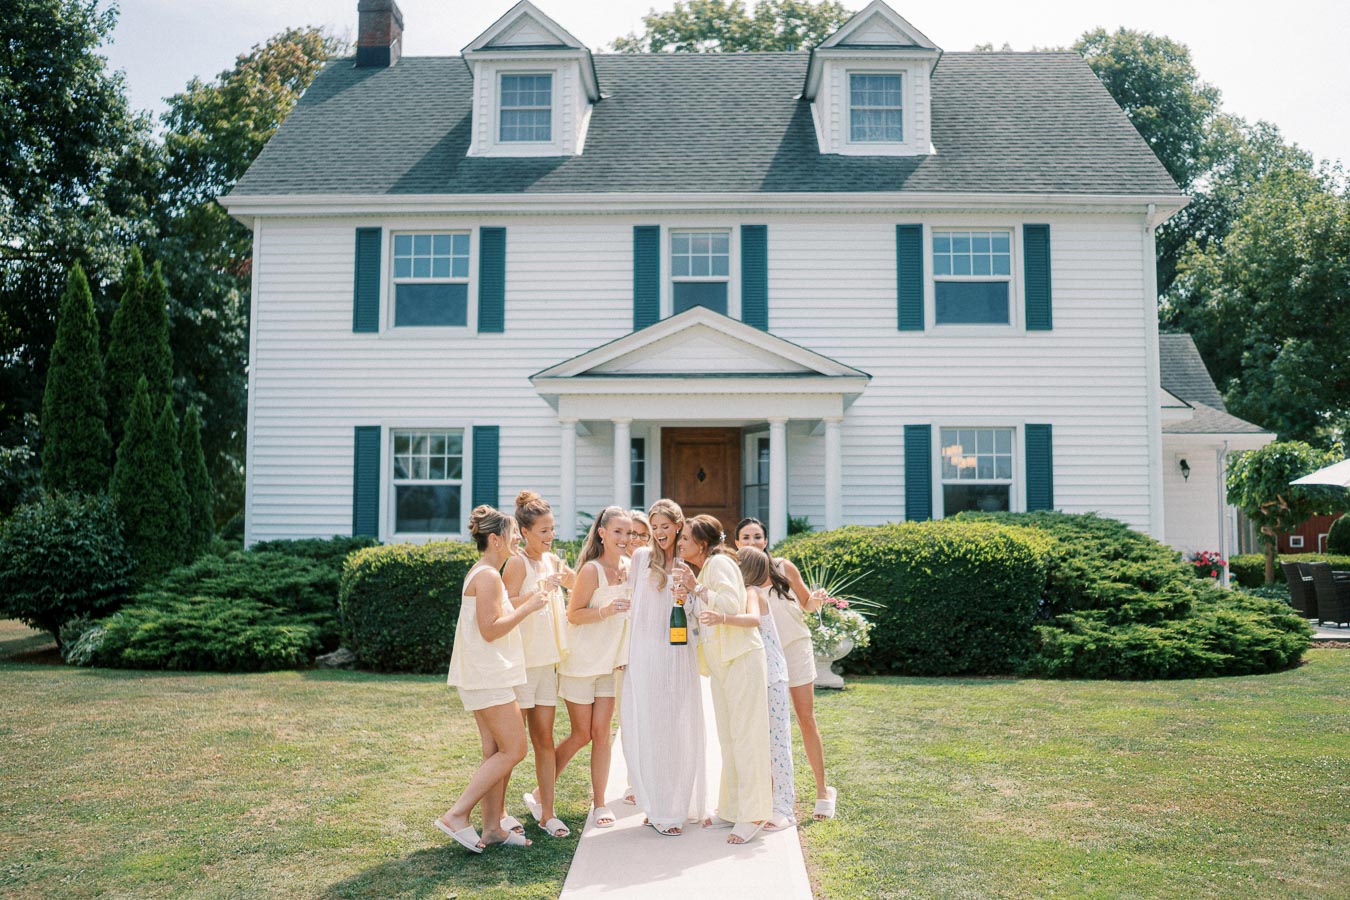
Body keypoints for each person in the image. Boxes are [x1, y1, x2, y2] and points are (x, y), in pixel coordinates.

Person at [437, 505, 547, 853]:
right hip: (488, 676)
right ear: (495, 539)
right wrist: (528, 609)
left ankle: (491, 828)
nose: (517, 539)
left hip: (484, 674)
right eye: (513, 533)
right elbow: (489, 630)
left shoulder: (484, 573)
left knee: (494, 750)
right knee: (515, 748)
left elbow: (491, 619)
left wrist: (526, 600)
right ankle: (456, 815)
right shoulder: (487, 576)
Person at [673, 515, 771, 845]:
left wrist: (696, 587)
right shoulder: (706, 569)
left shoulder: (719, 564)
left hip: (741, 659)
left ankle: (755, 813)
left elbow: (730, 604)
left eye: (685, 538)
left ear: (702, 543)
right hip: (721, 664)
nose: (680, 543)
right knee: (729, 737)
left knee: (747, 737)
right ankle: (731, 808)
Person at [735, 517, 837, 820]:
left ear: (765, 541)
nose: (752, 542)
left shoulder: (783, 567)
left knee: (806, 718)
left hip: (795, 647)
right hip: (764, 655)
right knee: (767, 727)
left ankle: (823, 790)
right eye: (745, 537)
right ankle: (770, 794)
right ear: (736, 543)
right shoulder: (740, 576)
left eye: (757, 537)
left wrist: (817, 601)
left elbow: (806, 602)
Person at [619, 499, 707, 836]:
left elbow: (697, 610)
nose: (658, 534)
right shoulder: (641, 559)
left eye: (665, 527)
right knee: (651, 728)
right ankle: (656, 805)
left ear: (678, 525)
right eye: (654, 528)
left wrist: (689, 592)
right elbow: (635, 611)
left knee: (678, 728)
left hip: (678, 653)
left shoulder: (689, 564)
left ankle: (677, 806)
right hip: (646, 654)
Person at [554, 506, 632, 829]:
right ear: (602, 533)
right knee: (581, 734)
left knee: (602, 734)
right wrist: (606, 610)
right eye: (618, 532)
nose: (625, 539)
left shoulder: (629, 567)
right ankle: (541, 791)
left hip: (608, 664)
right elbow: (573, 614)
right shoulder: (591, 570)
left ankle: (600, 805)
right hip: (581, 663)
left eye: (628, 533)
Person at [503, 491, 573, 839]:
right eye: (544, 531)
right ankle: (499, 816)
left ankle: (547, 813)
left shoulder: (552, 561)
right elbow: (502, 606)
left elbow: (578, 586)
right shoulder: (517, 563)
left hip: (547, 664)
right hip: (521, 664)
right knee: (510, 747)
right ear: (525, 531)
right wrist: (538, 591)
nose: (550, 536)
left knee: (545, 739)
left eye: (552, 529)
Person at [736, 546, 797, 830]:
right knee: (762, 742)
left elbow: (752, 623)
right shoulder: (748, 593)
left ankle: (785, 807)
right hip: (761, 676)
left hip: (772, 677)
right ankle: (765, 800)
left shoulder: (754, 594)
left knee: (777, 743)